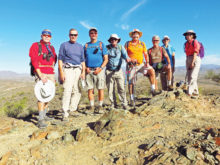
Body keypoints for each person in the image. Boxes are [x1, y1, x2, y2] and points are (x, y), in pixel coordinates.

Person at [29, 29, 57, 128]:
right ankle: (40, 120)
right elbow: (34, 60)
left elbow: (54, 60)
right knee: (41, 96)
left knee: (49, 95)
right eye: (45, 35)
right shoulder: (35, 45)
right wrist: (40, 75)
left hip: (51, 73)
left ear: (51, 37)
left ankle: (44, 115)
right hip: (41, 73)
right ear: (41, 36)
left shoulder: (52, 48)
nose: (46, 36)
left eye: (48, 35)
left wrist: (53, 75)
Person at [125, 29, 158, 107]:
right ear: (132, 35)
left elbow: (145, 54)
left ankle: (153, 90)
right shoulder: (127, 44)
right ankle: (132, 99)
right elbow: (124, 54)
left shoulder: (142, 44)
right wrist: (130, 60)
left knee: (151, 71)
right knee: (131, 82)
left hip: (141, 64)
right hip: (131, 65)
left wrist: (147, 63)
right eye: (134, 34)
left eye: (137, 34)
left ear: (139, 36)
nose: (136, 35)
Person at [58, 29, 85, 121]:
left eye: (75, 35)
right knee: (67, 90)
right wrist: (61, 72)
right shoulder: (64, 45)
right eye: (71, 34)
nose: (73, 36)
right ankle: (64, 112)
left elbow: (82, 60)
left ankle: (71, 109)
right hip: (68, 69)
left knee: (77, 91)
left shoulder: (80, 46)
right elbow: (60, 59)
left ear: (77, 35)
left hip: (78, 69)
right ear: (69, 35)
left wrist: (83, 72)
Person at [84, 27, 108, 113]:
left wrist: (101, 68)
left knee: (100, 88)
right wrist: (85, 67)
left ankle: (100, 106)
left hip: (99, 70)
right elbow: (83, 58)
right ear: (89, 35)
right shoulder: (86, 45)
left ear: (97, 34)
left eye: (95, 33)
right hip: (89, 70)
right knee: (90, 89)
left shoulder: (101, 44)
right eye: (91, 33)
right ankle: (91, 106)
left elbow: (106, 59)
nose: (93, 34)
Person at [106, 34, 131, 110]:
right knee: (110, 89)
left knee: (121, 88)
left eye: (115, 39)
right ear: (110, 40)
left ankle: (124, 103)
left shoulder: (120, 47)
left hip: (119, 70)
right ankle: (113, 104)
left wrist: (129, 60)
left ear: (117, 40)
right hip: (109, 70)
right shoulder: (106, 48)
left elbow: (126, 56)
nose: (113, 40)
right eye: (112, 39)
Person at [183, 30, 201, 98]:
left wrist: (192, 62)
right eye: (186, 35)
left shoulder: (195, 42)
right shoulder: (186, 43)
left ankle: (189, 92)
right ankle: (195, 92)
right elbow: (186, 53)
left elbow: (195, 52)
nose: (187, 36)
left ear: (192, 35)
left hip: (195, 58)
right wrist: (188, 61)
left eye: (189, 34)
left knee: (193, 76)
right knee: (190, 76)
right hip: (188, 58)